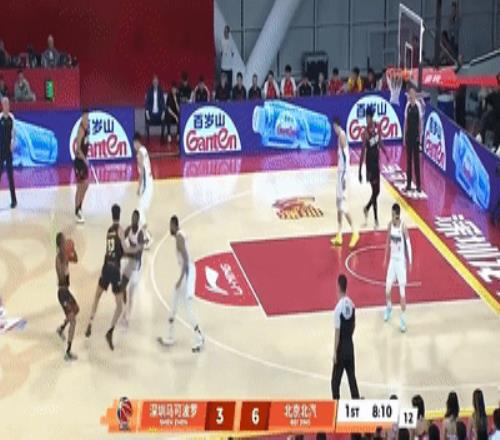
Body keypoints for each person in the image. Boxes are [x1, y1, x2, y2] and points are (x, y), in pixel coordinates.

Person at [85, 204, 131, 350]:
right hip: (115, 269)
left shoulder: (109, 231)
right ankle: (110, 331)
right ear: (120, 214)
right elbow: (124, 249)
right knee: (119, 306)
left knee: (97, 295)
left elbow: (112, 250)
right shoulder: (120, 230)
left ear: (112, 215)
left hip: (106, 267)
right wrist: (134, 250)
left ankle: (90, 322)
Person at [158, 215, 204, 352]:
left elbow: (185, 259)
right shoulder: (182, 234)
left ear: (174, 225)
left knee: (188, 308)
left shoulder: (179, 238)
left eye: (170, 226)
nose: (169, 229)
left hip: (188, 273)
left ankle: (199, 337)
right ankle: (170, 336)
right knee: (174, 301)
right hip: (188, 271)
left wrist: (181, 279)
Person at [383, 203, 412, 332]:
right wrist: (385, 258)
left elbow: (409, 245)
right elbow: (387, 242)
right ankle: (389, 307)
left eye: (393, 214)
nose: (391, 216)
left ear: (397, 215)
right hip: (392, 261)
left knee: (402, 293)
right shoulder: (390, 225)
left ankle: (403, 320)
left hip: (400, 263)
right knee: (387, 289)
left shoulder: (403, 227)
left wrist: (410, 261)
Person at [331, 118, 359, 248]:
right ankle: (339, 234)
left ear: (336, 125)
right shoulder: (340, 137)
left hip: (343, 174)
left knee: (343, 206)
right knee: (338, 203)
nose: (333, 129)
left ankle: (355, 232)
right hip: (340, 172)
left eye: (334, 127)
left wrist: (344, 178)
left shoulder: (342, 136)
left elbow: (346, 157)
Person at [331, 274, 359, 399]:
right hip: (350, 346)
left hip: (341, 348)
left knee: (335, 383)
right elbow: (354, 324)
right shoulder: (352, 305)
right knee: (352, 380)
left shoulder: (338, 309)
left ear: (338, 287)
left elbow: (337, 333)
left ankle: (336, 406)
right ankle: (357, 405)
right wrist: (349, 337)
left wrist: (335, 352)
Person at [359, 106, 387, 229]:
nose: (367, 119)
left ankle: (366, 208)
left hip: (376, 162)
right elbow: (362, 152)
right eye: (366, 117)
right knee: (374, 190)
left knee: (377, 191)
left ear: (371, 117)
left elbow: (379, 141)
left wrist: (385, 152)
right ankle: (376, 220)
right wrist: (360, 170)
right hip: (370, 164)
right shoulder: (365, 133)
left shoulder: (377, 126)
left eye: (369, 117)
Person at [55, 232, 79, 361]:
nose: (66, 242)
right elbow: (61, 278)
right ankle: (68, 352)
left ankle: (61, 328)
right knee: (73, 321)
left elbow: (76, 260)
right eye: (64, 241)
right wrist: (65, 262)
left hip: (66, 291)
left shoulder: (65, 254)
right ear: (60, 244)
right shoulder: (59, 258)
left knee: (76, 309)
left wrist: (73, 251)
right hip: (62, 293)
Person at [120, 210, 146, 326]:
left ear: (138, 220)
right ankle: (124, 312)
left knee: (131, 293)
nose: (133, 220)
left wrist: (125, 253)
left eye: (135, 218)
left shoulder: (140, 234)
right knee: (122, 286)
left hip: (136, 265)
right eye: (132, 217)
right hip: (130, 262)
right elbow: (121, 238)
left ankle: (128, 316)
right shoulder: (129, 229)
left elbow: (138, 253)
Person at [133, 132, 153, 248]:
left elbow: (141, 173)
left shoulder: (139, 154)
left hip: (146, 185)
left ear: (136, 142)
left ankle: (147, 237)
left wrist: (139, 187)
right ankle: (143, 233)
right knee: (140, 210)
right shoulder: (144, 150)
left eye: (134, 144)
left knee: (139, 211)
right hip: (150, 182)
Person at [404, 86, 423, 194]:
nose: (411, 96)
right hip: (409, 137)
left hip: (415, 137)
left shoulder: (418, 106)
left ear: (415, 95)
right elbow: (405, 122)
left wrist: (420, 136)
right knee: (408, 161)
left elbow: (420, 122)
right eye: (410, 94)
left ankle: (419, 185)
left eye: (413, 94)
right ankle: (408, 184)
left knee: (416, 162)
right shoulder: (407, 106)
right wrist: (404, 136)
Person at [74, 109, 90, 223]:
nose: (86, 119)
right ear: (82, 117)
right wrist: (85, 159)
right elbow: (78, 149)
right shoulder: (80, 130)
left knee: (86, 184)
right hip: (80, 161)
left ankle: (80, 206)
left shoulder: (87, 128)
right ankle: (77, 211)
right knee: (80, 186)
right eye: (85, 117)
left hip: (83, 160)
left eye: (87, 117)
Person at [0, 97, 17, 209]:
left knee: (10, 176)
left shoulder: (12, 118)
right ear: (2, 105)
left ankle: (14, 200)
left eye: (8, 104)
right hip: (0, 150)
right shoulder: (0, 117)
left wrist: (13, 143)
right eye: (5, 104)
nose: (7, 106)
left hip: (8, 151)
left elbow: (14, 133)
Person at [145, 75, 166, 144]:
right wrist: (147, 113)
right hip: (151, 113)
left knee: (164, 119)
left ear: (158, 83)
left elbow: (163, 102)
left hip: (159, 113)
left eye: (156, 82)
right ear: (152, 83)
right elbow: (147, 102)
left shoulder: (160, 91)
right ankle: (148, 138)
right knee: (146, 118)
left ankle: (162, 138)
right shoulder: (149, 91)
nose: (155, 83)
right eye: (154, 82)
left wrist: (163, 113)